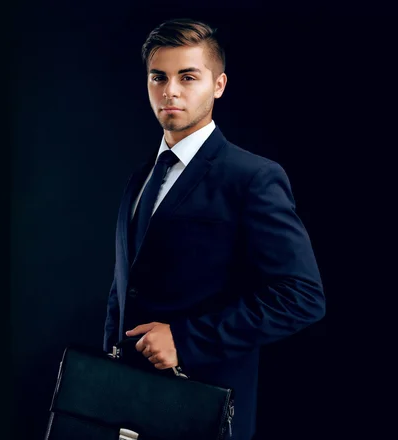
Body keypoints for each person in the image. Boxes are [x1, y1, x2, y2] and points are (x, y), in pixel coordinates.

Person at [102, 18, 325, 440]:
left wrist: (185, 341)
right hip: (127, 407)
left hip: (204, 411)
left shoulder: (253, 177)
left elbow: (302, 297)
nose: (171, 90)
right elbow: (124, 285)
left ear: (218, 85)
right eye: (159, 77)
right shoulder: (142, 177)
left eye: (188, 77)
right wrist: (107, 377)